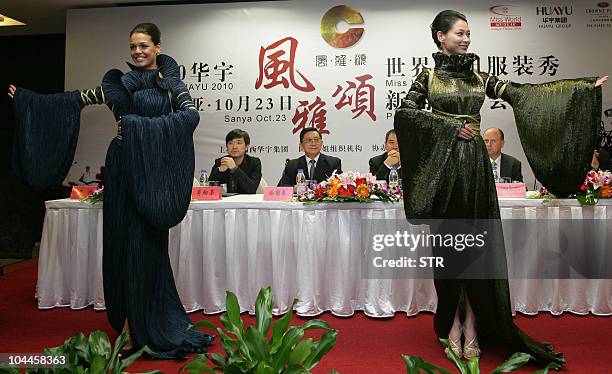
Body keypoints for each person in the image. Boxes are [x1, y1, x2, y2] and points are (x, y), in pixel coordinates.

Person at [394, 9, 607, 366]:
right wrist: (449, 127)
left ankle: (475, 322)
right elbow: (405, 114)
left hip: (475, 170)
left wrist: (580, 89)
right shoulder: (427, 77)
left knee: (477, 249)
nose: (465, 39)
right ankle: (454, 321)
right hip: (445, 172)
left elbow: (524, 94)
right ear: (440, 37)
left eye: (468, 34)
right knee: (450, 250)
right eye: (459, 33)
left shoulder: (480, 77)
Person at [8, 23, 214, 359]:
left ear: (158, 47)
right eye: (133, 46)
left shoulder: (171, 84)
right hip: (122, 170)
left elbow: (190, 117)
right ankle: (132, 326)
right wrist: (29, 101)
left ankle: (153, 322)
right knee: (122, 246)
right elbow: (77, 100)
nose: (138, 52)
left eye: (144, 45)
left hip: (152, 178)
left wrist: (136, 126)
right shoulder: (119, 84)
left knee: (146, 249)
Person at [277, 127, 342, 186]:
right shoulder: (292, 165)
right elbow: (282, 187)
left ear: (321, 143)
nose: (313, 143)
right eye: (309, 140)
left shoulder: (333, 163)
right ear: (301, 145)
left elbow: (339, 186)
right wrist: (295, 189)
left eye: (316, 140)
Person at [209, 129, 262, 194]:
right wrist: (219, 171)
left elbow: (251, 189)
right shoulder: (220, 162)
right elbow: (209, 189)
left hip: (245, 202)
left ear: (246, 147)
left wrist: (234, 168)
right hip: (224, 202)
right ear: (227, 147)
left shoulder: (254, 163)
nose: (234, 147)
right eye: (230, 143)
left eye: (239, 143)